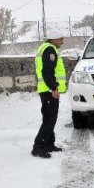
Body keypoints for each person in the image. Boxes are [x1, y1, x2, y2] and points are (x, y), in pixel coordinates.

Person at [31, 29, 67, 158]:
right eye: (60, 39)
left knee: (49, 118)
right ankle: (38, 147)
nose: (62, 42)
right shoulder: (50, 50)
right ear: (54, 39)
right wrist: (54, 88)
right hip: (49, 90)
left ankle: (49, 144)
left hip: (46, 89)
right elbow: (47, 71)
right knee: (49, 120)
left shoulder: (46, 48)